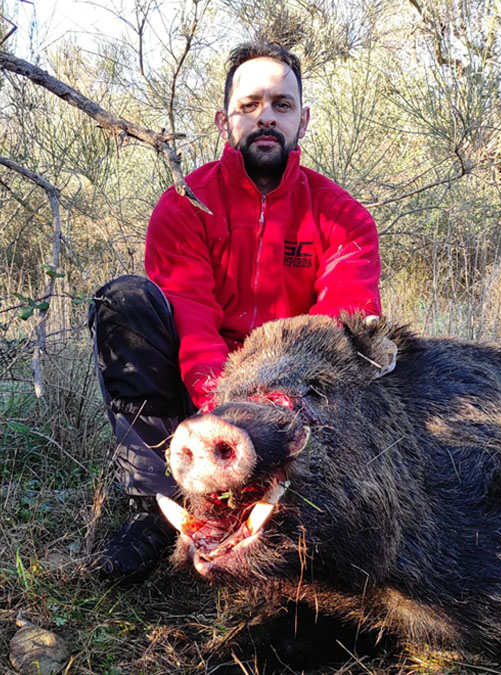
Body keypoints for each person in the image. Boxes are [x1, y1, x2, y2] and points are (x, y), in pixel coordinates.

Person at [88, 40, 381, 583]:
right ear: (225, 121)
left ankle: (294, 506)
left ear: (303, 120)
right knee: (125, 303)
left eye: (281, 105)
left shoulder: (345, 219)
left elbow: (337, 331)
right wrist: (220, 411)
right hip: (198, 393)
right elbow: (191, 317)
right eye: (249, 106)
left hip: (286, 405)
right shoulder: (184, 202)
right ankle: (153, 505)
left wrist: (265, 414)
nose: (265, 116)